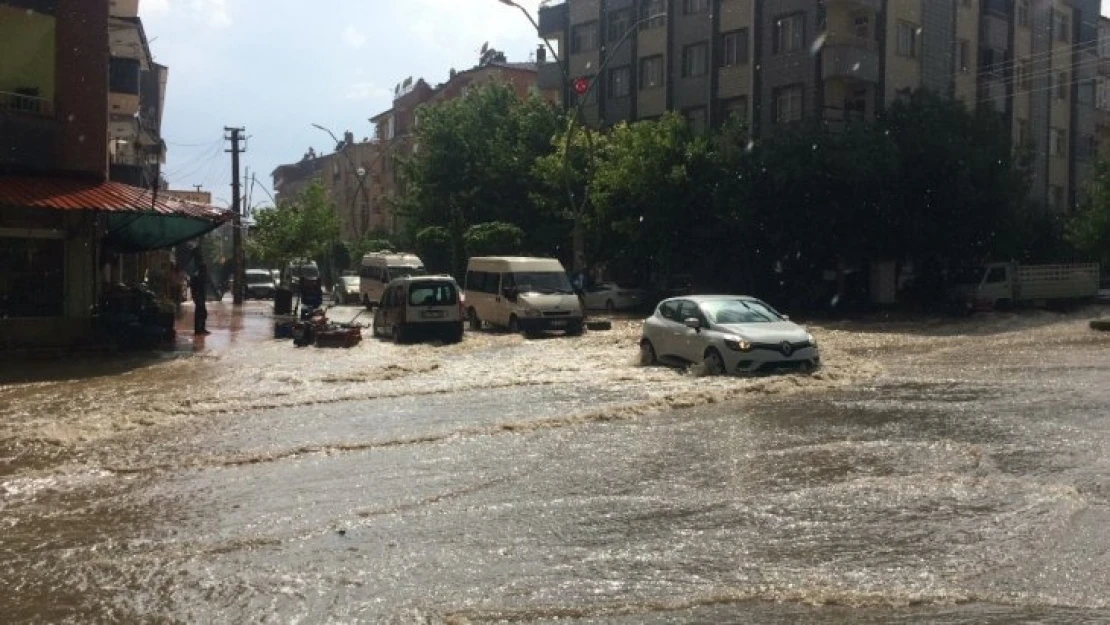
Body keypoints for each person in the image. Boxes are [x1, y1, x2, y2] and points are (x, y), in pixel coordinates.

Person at [190, 264, 210, 335]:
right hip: (199, 298)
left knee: (203, 313)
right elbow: (196, 288)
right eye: (206, 269)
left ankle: (201, 329)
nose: (207, 271)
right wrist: (196, 297)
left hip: (200, 297)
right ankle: (198, 330)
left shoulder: (201, 276)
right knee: (200, 313)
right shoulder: (198, 277)